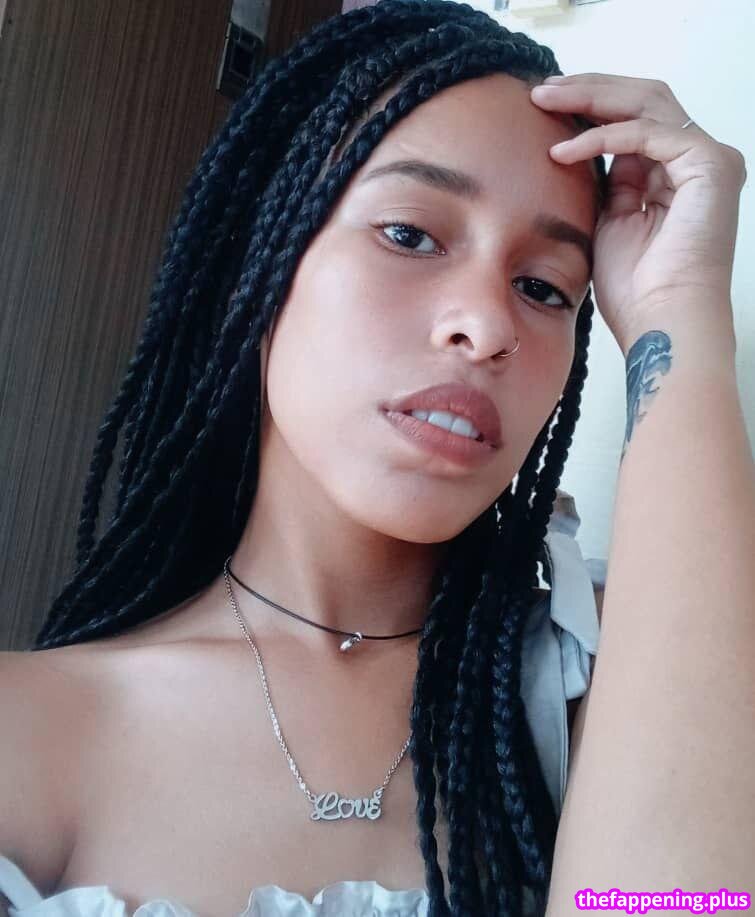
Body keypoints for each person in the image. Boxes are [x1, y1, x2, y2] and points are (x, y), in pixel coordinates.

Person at [1, 0, 752, 915]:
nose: (485, 325)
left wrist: (681, 312)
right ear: (261, 259)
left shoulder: (592, 684)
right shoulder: (27, 732)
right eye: (409, 235)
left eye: (542, 286)